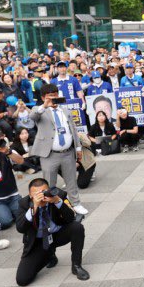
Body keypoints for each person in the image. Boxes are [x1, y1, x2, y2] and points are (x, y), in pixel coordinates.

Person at [15, 178, 89, 286]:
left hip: (58, 234)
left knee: (77, 227)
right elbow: (20, 228)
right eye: (36, 194)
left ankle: (76, 266)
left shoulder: (59, 194)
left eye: (44, 192)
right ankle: (49, 255)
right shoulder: (24, 203)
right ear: (30, 196)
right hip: (39, 242)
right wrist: (34, 208)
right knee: (22, 279)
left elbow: (70, 218)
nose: (41, 196)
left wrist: (57, 201)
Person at [30, 83, 89, 216]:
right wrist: (44, 105)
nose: (54, 98)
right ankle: (49, 206)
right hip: (49, 154)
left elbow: (73, 129)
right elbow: (32, 117)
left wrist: (78, 147)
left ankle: (76, 203)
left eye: (55, 95)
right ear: (43, 97)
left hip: (68, 152)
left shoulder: (65, 110)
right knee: (49, 182)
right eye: (50, 96)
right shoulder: (39, 109)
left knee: (71, 179)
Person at [0, 139, 21, 233]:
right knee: (6, 222)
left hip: (13, 195)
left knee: (24, 218)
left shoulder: (5, 151)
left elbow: (21, 161)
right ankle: (6, 213)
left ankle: (9, 211)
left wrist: (8, 152)